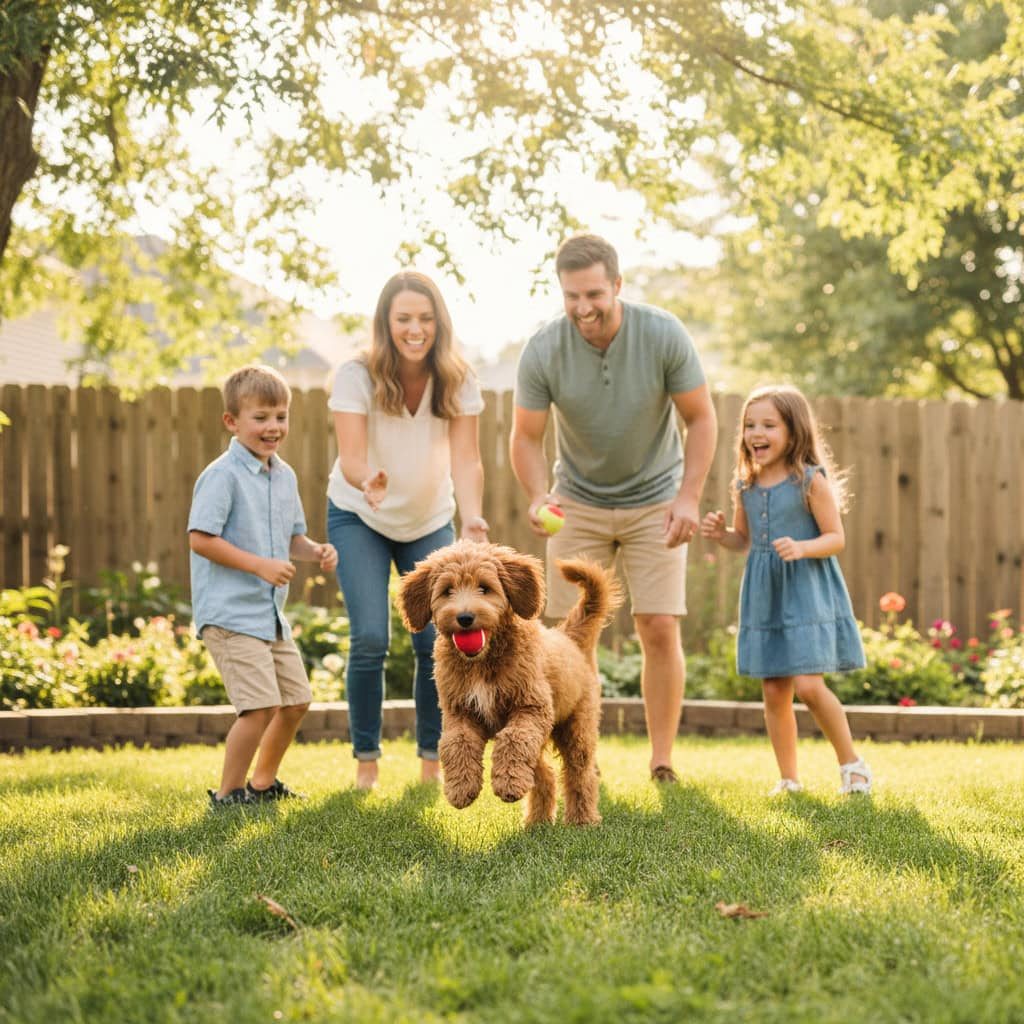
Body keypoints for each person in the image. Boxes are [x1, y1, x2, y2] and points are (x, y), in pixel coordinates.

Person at [510, 233, 717, 784]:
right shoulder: (544, 348)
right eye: (572, 296)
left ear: (618, 285)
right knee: (572, 636)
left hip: (657, 501)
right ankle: (583, 758)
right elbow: (526, 436)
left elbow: (701, 418)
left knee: (658, 626)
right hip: (576, 501)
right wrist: (538, 494)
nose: (583, 308)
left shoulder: (662, 334)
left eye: (594, 294)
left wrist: (689, 496)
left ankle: (662, 759)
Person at [327, 270, 488, 790]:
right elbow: (351, 455)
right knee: (371, 637)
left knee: (435, 640)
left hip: (427, 519)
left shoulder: (457, 378)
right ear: (386, 322)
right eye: (403, 319)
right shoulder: (357, 374)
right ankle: (367, 763)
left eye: (424, 318)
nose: (415, 329)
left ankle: (432, 761)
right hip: (360, 515)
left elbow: (467, 458)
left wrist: (472, 516)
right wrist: (366, 479)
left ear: (439, 322)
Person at [700, 383, 872, 796]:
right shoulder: (745, 485)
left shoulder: (810, 481)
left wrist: (802, 547)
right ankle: (789, 779)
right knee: (775, 690)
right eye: (749, 425)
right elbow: (744, 539)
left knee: (809, 686)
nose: (756, 434)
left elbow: (836, 538)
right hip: (765, 595)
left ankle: (853, 765)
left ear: (793, 431)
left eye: (768, 425)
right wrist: (722, 536)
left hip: (807, 590)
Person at [189, 364, 338, 808]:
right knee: (258, 708)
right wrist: (259, 566)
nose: (273, 427)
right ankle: (228, 794)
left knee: (295, 701)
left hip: (268, 615)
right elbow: (200, 539)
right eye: (261, 417)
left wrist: (315, 551)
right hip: (230, 613)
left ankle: (261, 784)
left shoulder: (283, 476)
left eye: (280, 416)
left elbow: (291, 537)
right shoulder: (223, 475)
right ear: (232, 421)